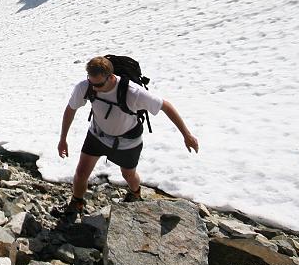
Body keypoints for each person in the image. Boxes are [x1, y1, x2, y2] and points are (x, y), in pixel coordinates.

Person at [56, 56, 199, 216]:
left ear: (110, 77)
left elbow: (165, 106)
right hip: (97, 135)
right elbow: (70, 109)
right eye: (91, 82)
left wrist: (187, 135)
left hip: (127, 142)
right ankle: (77, 203)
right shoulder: (86, 86)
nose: (94, 88)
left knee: (128, 174)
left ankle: (135, 192)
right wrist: (63, 139)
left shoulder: (133, 92)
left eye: (99, 84)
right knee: (81, 173)